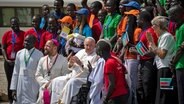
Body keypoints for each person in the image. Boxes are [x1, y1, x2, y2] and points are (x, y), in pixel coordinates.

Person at [147, 16, 177, 104]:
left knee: (164, 93)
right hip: (162, 68)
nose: (152, 27)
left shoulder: (166, 36)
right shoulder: (162, 37)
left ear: (161, 26)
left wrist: (152, 43)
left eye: (154, 25)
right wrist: (151, 43)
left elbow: (162, 54)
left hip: (165, 68)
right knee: (162, 92)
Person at [59, 37, 98, 104]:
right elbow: (71, 66)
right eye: (87, 45)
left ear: (95, 45)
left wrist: (80, 64)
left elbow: (92, 71)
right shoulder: (81, 52)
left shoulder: (96, 56)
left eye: (91, 45)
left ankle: (65, 102)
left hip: (85, 78)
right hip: (73, 75)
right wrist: (71, 64)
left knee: (72, 82)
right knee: (57, 81)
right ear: (84, 45)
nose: (88, 47)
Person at [10, 35, 43, 104]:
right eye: (25, 40)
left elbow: (40, 73)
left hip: (33, 85)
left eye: (28, 41)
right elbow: (15, 71)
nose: (25, 42)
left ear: (34, 43)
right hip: (20, 84)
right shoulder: (19, 53)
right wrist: (13, 89)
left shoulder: (39, 54)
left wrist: (40, 90)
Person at [35, 39, 70, 103]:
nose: (45, 47)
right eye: (45, 45)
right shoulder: (42, 59)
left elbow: (65, 76)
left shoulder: (63, 60)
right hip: (44, 89)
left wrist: (53, 83)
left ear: (55, 48)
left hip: (57, 91)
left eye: (48, 46)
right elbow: (38, 75)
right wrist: (46, 83)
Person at [96, 39, 128, 104]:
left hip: (115, 96)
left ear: (101, 52)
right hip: (123, 93)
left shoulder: (108, 63)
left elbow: (112, 84)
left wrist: (106, 99)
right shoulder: (116, 60)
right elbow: (124, 72)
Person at [1, 17, 25, 103]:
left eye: (16, 23)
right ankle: (10, 99)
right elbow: (3, 48)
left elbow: (25, 48)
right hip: (8, 62)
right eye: (12, 24)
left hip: (19, 62)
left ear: (19, 23)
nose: (14, 25)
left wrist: (18, 60)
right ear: (10, 25)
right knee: (10, 80)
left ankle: (19, 98)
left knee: (19, 80)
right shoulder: (6, 34)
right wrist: (6, 59)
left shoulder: (23, 34)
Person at [168, 5, 184, 104]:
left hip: (181, 65)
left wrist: (173, 63)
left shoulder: (182, 28)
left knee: (182, 95)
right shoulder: (178, 28)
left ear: (178, 14)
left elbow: (180, 49)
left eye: (171, 14)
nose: (169, 17)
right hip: (179, 64)